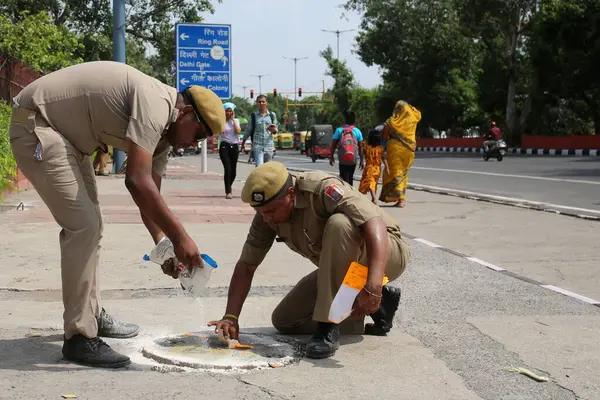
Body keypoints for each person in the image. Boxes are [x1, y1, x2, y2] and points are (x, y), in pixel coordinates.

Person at [9, 61, 225, 369]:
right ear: (187, 113)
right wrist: (181, 238)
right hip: (38, 125)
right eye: (198, 133)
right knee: (83, 226)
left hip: (70, 141)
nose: (195, 143)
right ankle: (80, 337)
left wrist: (164, 247)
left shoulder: (166, 133)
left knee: (91, 226)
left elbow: (150, 195)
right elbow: (136, 180)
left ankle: (91, 314)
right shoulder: (155, 103)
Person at [206, 162, 411, 359]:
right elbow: (247, 265)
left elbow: (374, 224)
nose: (266, 218)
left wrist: (374, 284)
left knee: (339, 224)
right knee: (286, 321)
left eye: (271, 211)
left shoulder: (321, 189)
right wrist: (230, 317)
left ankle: (328, 327)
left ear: (291, 194)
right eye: (260, 212)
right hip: (347, 269)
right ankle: (378, 306)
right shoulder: (265, 214)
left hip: (385, 254)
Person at [379, 101, 421, 208]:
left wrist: (382, 148)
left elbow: (384, 136)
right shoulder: (413, 120)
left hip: (395, 149)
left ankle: (400, 199)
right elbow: (417, 113)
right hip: (410, 149)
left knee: (396, 173)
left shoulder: (392, 122)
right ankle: (401, 198)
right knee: (404, 173)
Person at [241, 95, 278, 167]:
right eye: (259, 102)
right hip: (257, 146)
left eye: (263, 102)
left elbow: (276, 130)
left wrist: (273, 130)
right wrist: (243, 143)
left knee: (268, 168)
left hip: (269, 146)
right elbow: (248, 130)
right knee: (259, 167)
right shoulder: (253, 116)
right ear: (257, 103)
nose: (261, 103)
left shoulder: (272, 115)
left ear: (266, 103)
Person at [330, 111, 364, 186]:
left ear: (344, 119)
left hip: (343, 159)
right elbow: (361, 147)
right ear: (354, 120)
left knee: (343, 178)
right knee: (350, 177)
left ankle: (344, 193)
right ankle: (350, 193)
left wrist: (331, 156)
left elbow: (333, 145)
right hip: (353, 159)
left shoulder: (339, 130)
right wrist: (361, 160)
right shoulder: (357, 131)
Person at [358, 126, 389, 204]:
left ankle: (374, 198)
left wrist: (361, 161)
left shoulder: (366, 147)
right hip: (377, 169)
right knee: (373, 182)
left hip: (369, 167)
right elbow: (384, 158)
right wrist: (387, 168)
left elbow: (360, 148)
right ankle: (373, 198)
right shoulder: (380, 148)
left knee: (371, 182)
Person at [219, 102, 241, 199]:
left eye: (230, 111)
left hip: (234, 146)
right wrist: (224, 119)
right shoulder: (221, 121)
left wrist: (233, 120)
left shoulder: (236, 120)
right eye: (227, 111)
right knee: (228, 169)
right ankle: (228, 191)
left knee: (233, 171)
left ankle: (229, 185)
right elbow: (221, 131)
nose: (229, 113)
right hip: (225, 146)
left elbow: (238, 131)